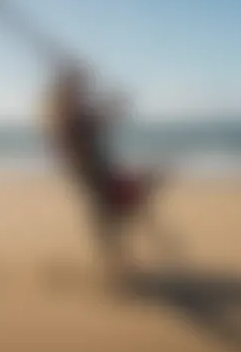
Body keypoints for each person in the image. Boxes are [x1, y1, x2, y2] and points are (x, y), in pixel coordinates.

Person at [44, 61, 165, 275]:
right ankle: (116, 264)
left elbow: (97, 117)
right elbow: (95, 121)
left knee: (116, 211)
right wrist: (116, 104)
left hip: (99, 172)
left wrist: (112, 104)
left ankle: (118, 260)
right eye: (79, 86)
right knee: (111, 214)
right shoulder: (70, 116)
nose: (83, 91)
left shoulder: (72, 112)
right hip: (94, 175)